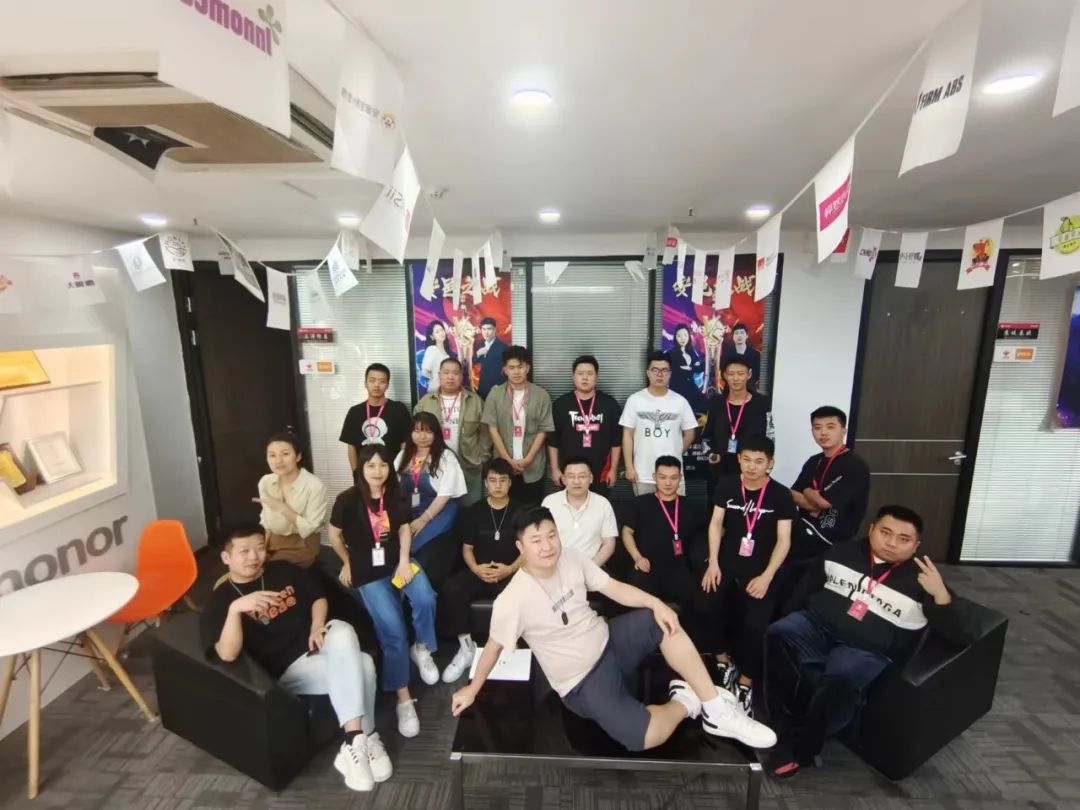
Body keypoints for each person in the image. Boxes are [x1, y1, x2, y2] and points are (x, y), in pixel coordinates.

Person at [450, 507, 776, 752]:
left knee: (663, 619)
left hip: (610, 640)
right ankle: (688, 701)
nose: (547, 546)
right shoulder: (512, 600)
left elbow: (614, 588)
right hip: (581, 682)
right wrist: (472, 689)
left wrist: (656, 604)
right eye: (536, 541)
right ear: (520, 547)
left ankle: (717, 710)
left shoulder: (572, 558)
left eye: (551, 536)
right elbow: (493, 647)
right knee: (643, 738)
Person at [763, 505, 968, 778]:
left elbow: (962, 633)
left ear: (916, 545)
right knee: (778, 632)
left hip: (866, 649)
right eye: (885, 533)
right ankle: (778, 720)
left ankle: (802, 748)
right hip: (817, 626)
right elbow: (806, 589)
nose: (891, 543)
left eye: (903, 539)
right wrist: (791, 614)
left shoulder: (923, 579)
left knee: (842, 674)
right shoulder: (841, 552)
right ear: (871, 530)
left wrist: (940, 594)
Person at [201, 524, 391, 792]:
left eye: (259, 548)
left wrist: (317, 625)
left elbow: (318, 597)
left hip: (317, 644)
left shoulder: (282, 570)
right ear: (226, 557)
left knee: (343, 632)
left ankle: (354, 741)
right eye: (244, 551)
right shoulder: (221, 600)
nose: (254, 556)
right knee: (364, 665)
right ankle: (366, 735)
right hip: (288, 669)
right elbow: (227, 653)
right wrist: (235, 610)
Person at [328, 444, 439, 738]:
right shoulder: (347, 499)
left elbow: (403, 529)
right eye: (371, 466)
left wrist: (403, 562)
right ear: (361, 469)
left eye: (383, 465)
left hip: (396, 563)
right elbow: (334, 535)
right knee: (393, 632)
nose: (378, 471)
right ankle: (404, 698)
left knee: (426, 597)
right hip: (367, 572)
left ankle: (422, 647)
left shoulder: (395, 494)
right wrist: (347, 562)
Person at [702, 436, 796, 716]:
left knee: (756, 624)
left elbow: (784, 540)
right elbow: (716, 523)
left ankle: (745, 681)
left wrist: (767, 576)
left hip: (762, 570)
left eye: (759, 461)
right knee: (706, 604)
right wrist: (713, 563)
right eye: (746, 460)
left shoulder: (780, 494)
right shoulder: (727, 484)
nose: (752, 467)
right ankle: (723, 660)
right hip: (727, 565)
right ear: (739, 459)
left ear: (770, 463)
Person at [436, 459, 525, 683]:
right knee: (451, 589)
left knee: (526, 593)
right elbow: (467, 549)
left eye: (503, 480)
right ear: (485, 483)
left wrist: (510, 569)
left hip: (511, 572)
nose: (498, 485)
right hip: (480, 571)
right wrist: (476, 569)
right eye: (493, 480)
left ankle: (512, 646)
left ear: (510, 483)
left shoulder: (521, 511)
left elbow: (528, 549)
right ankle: (466, 646)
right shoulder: (473, 511)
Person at [621, 456, 719, 647]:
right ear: (654, 477)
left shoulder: (691, 506)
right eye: (662, 477)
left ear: (680, 478)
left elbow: (710, 533)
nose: (668, 483)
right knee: (635, 596)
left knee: (697, 599)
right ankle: (641, 645)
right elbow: (627, 532)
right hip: (647, 566)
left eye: (673, 478)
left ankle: (689, 646)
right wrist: (637, 557)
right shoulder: (641, 503)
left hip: (679, 568)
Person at [395, 412, 468, 587]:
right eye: (417, 431)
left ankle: (412, 585)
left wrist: (423, 520)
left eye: (428, 432)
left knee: (418, 547)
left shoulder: (445, 457)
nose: (422, 436)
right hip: (411, 512)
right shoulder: (403, 455)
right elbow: (392, 487)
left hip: (439, 512)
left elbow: (445, 495)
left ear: (436, 434)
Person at [789, 406, 870, 563]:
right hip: (805, 534)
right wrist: (813, 500)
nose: (823, 433)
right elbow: (793, 495)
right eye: (817, 428)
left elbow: (823, 503)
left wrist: (807, 491)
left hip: (834, 544)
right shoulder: (813, 461)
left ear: (843, 431)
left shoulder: (854, 465)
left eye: (830, 427)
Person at [481, 345, 554, 505]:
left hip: (533, 466)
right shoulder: (495, 395)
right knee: (505, 508)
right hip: (503, 467)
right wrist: (507, 459)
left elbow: (543, 430)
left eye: (520, 367)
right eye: (511, 367)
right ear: (504, 370)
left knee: (531, 509)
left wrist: (528, 459)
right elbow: (492, 429)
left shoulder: (541, 395)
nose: (516, 372)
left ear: (527, 368)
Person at [414, 357, 491, 506]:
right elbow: (415, 433)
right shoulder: (425, 402)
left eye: (455, 373)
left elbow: (486, 433)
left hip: (469, 466)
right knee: (439, 510)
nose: (450, 377)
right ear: (439, 375)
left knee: (470, 510)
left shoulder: (475, 401)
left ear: (462, 376)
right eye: (446, 372)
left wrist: (481, 457)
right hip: (434, 468)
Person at [620, 351, 698, 496]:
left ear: (670, 374)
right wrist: (629, 467)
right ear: (648, 373)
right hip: (643, 473)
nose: (660, 374)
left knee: (675, 510)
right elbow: (627, 435)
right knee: (645, 510)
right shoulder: (635, 400)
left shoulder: (680, 401)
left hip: (673, 475)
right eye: (655, 370)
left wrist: (675, 450)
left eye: (664, 370)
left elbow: (689, 434)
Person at [547, 355, 622, 498]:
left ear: (597, 377)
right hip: (570, 473)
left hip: (601, 472)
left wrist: (613, 469)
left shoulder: (609, 404)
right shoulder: (561, 404)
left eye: (590, 373)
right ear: (573, 377)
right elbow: (553, 441)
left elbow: (616, 441)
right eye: (580, 373)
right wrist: (555, 469)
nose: (585, 378)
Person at [703, 356, 773, 502]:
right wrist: (710, 454)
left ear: (749, 374)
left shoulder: (761, 403)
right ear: (724, 375)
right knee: (717, 508)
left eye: (741, 374)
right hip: (720, 470)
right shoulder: (717, 402)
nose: (736, 378)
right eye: (731, 374)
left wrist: (766, 467)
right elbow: (706, 435)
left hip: (751, 470)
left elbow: (770, 435)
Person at [254, 433, 329, 568]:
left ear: (298, 456)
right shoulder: (265, 482)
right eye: (272, 455)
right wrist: (262, 549)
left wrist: (283, 509)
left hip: (302, 545)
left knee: (272, 572)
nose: (278, 461)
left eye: (285, 454)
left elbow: (310, 528)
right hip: (272, 542)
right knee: (243, 570)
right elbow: (267, 522)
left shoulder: (315, 486)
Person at [541, 456, 618, 566]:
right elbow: (542, 539)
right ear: (564, 479)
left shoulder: (603, 504)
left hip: (592, 566)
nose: (576, 481)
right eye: (571, 476)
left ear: (591, 478)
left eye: (582, 476)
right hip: (555, 566)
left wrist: (589, 569)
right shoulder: (550, 502)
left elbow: (609, 544)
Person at [339, 363, 412, 468]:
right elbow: (351, 446)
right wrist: (355, 472)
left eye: (382, 381)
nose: (377, 385)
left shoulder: (399, 409)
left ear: (387, 385)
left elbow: (405, 443)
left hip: (392, 470)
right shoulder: (355, 412)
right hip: (365, 471)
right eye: (372, 380)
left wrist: (401, 469)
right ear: (365, 383)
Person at [666, 324, 706, 412]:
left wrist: (690, 368)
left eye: (685, 335)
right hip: (677, 389)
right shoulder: (671, 353)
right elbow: (675, 370)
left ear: (689, 336)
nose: (682, 338)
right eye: (679, 336)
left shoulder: (691, 351)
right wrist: (692, 367)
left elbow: (699, 368)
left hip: (692, 387)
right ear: (675, 337)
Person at [476, 317, 508, 397]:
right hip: (481, 389)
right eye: (483, 329)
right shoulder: (479, 344)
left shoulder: (503, 347)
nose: (486, 332)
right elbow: (473, 362)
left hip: (496, 390)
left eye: (489, 329)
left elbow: (507, 370)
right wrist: (477, 354)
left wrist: (500, 386)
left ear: (494, 330)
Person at [419, 320, 455, 393]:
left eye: (442, 330)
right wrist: (436, 378)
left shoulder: (448, 353)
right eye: (437, 332)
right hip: (436, 391)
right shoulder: (432, 349)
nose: (441, 333)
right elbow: (424, 371)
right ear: (432, 336)